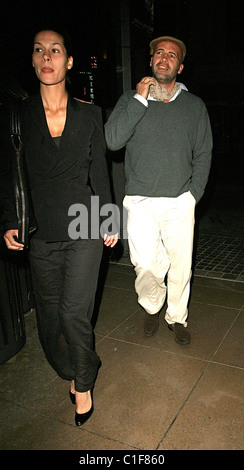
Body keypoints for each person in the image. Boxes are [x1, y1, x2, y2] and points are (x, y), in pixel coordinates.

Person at [0, 28, 117, 426]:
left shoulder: (89, 114)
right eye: (39, 50)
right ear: (32, 61)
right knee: (50, 320)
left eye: (55, 50)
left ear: (68, 61)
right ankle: (76, 366)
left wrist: (109, 219)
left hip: (84, 225)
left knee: (73, 314)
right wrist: (9, 221)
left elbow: (100, 173)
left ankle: (83, 383)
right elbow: (9, 175)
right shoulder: (18, 115)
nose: (46, 56)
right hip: (41, 232)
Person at [105, 36, 212, 345]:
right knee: (146, 264)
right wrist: (139, 100)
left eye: (172, 55)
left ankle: (177, 316)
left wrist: (193, 195)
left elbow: (204, 152)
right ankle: (152, 305)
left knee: (181, 265)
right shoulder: (130, 100)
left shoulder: (194, 106)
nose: (165, 58)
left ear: (180, 66)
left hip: (180, 200)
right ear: (151, 60)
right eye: (159, 53)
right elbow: (112, 141)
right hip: (140, 201)